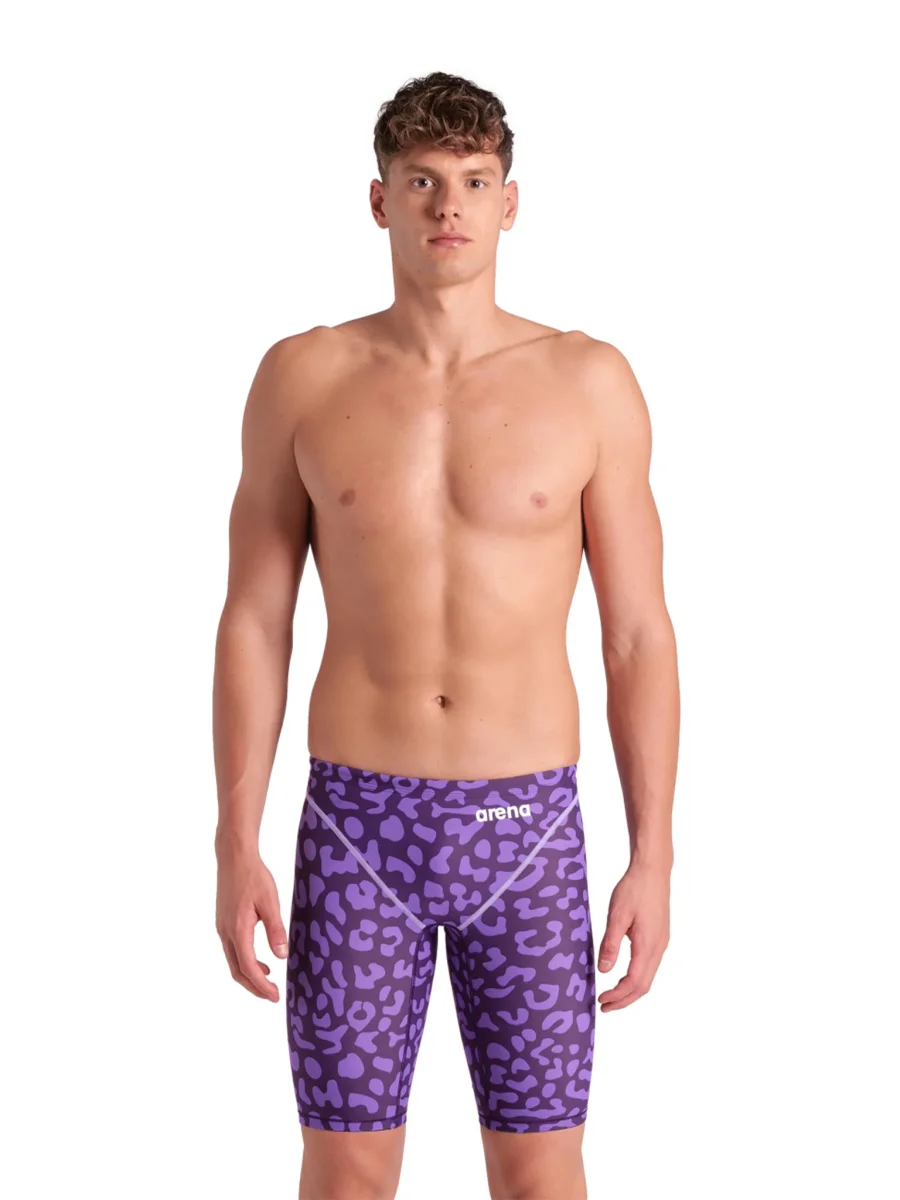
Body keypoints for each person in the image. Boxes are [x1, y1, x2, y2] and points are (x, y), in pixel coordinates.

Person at [213, 70, 679, 1200]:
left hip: (529, 829)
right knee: (346, 1173)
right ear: (380, 201)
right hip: (356, 827)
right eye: (422, 181)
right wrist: (234, 837)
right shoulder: (303, 376)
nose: (448, 205)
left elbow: (637, 635)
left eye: (473, 180)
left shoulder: (588, 381)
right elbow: (256, 619)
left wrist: (654, 854)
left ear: (510, 203)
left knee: (541, 1173)